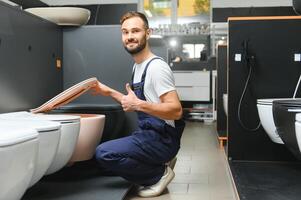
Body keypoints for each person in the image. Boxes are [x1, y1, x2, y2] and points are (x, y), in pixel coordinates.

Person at [92, 11, 185, 198]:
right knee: (101, 164)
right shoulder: (137, 66)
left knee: (104, 153)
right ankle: (158, 164)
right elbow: (134, 103)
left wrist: (138, 105)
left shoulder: (156, 67)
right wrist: (107, 91)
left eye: (135, 31)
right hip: (148, 134)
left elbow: (176, 111)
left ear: (148, 33)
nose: (129, 37)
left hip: (162, 139)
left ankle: (159, 174)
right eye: (125, 32)